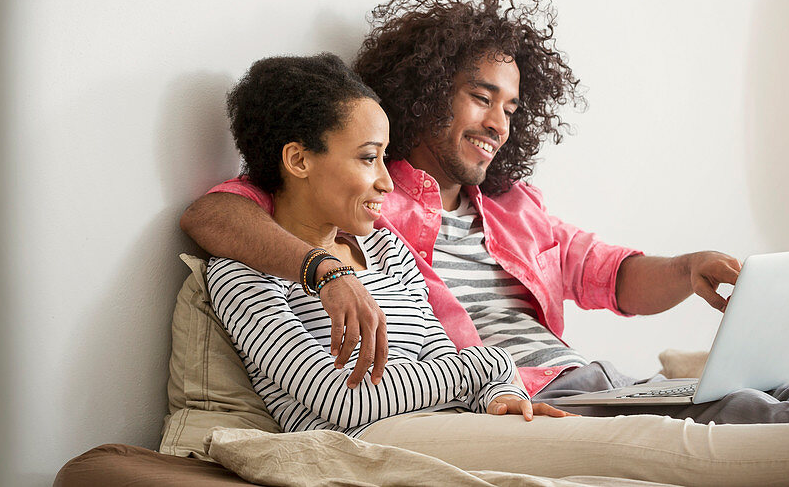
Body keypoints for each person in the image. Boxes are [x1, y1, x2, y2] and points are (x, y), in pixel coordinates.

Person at [185, 0, 789, 423]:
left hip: (585, 378)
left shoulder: (513, 207)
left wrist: (687, 270)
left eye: (511, 106)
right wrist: (327, 271)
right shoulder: (366, 199)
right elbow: (216, 216)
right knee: (764, 416)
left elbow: (606, 270)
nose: (499, 122)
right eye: (481, 97)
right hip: (533, 393)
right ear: (424, 91)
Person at [206, 53, 575, 434]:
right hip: (367, 447)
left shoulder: (388, 251)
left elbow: (441, 356)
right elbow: (344, 402)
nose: (385, 181)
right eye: (368, 158)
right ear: (299, 160)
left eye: (384, 157)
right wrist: (491, 365)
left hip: (452, 429)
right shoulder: (240, 274)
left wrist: (499, 396)